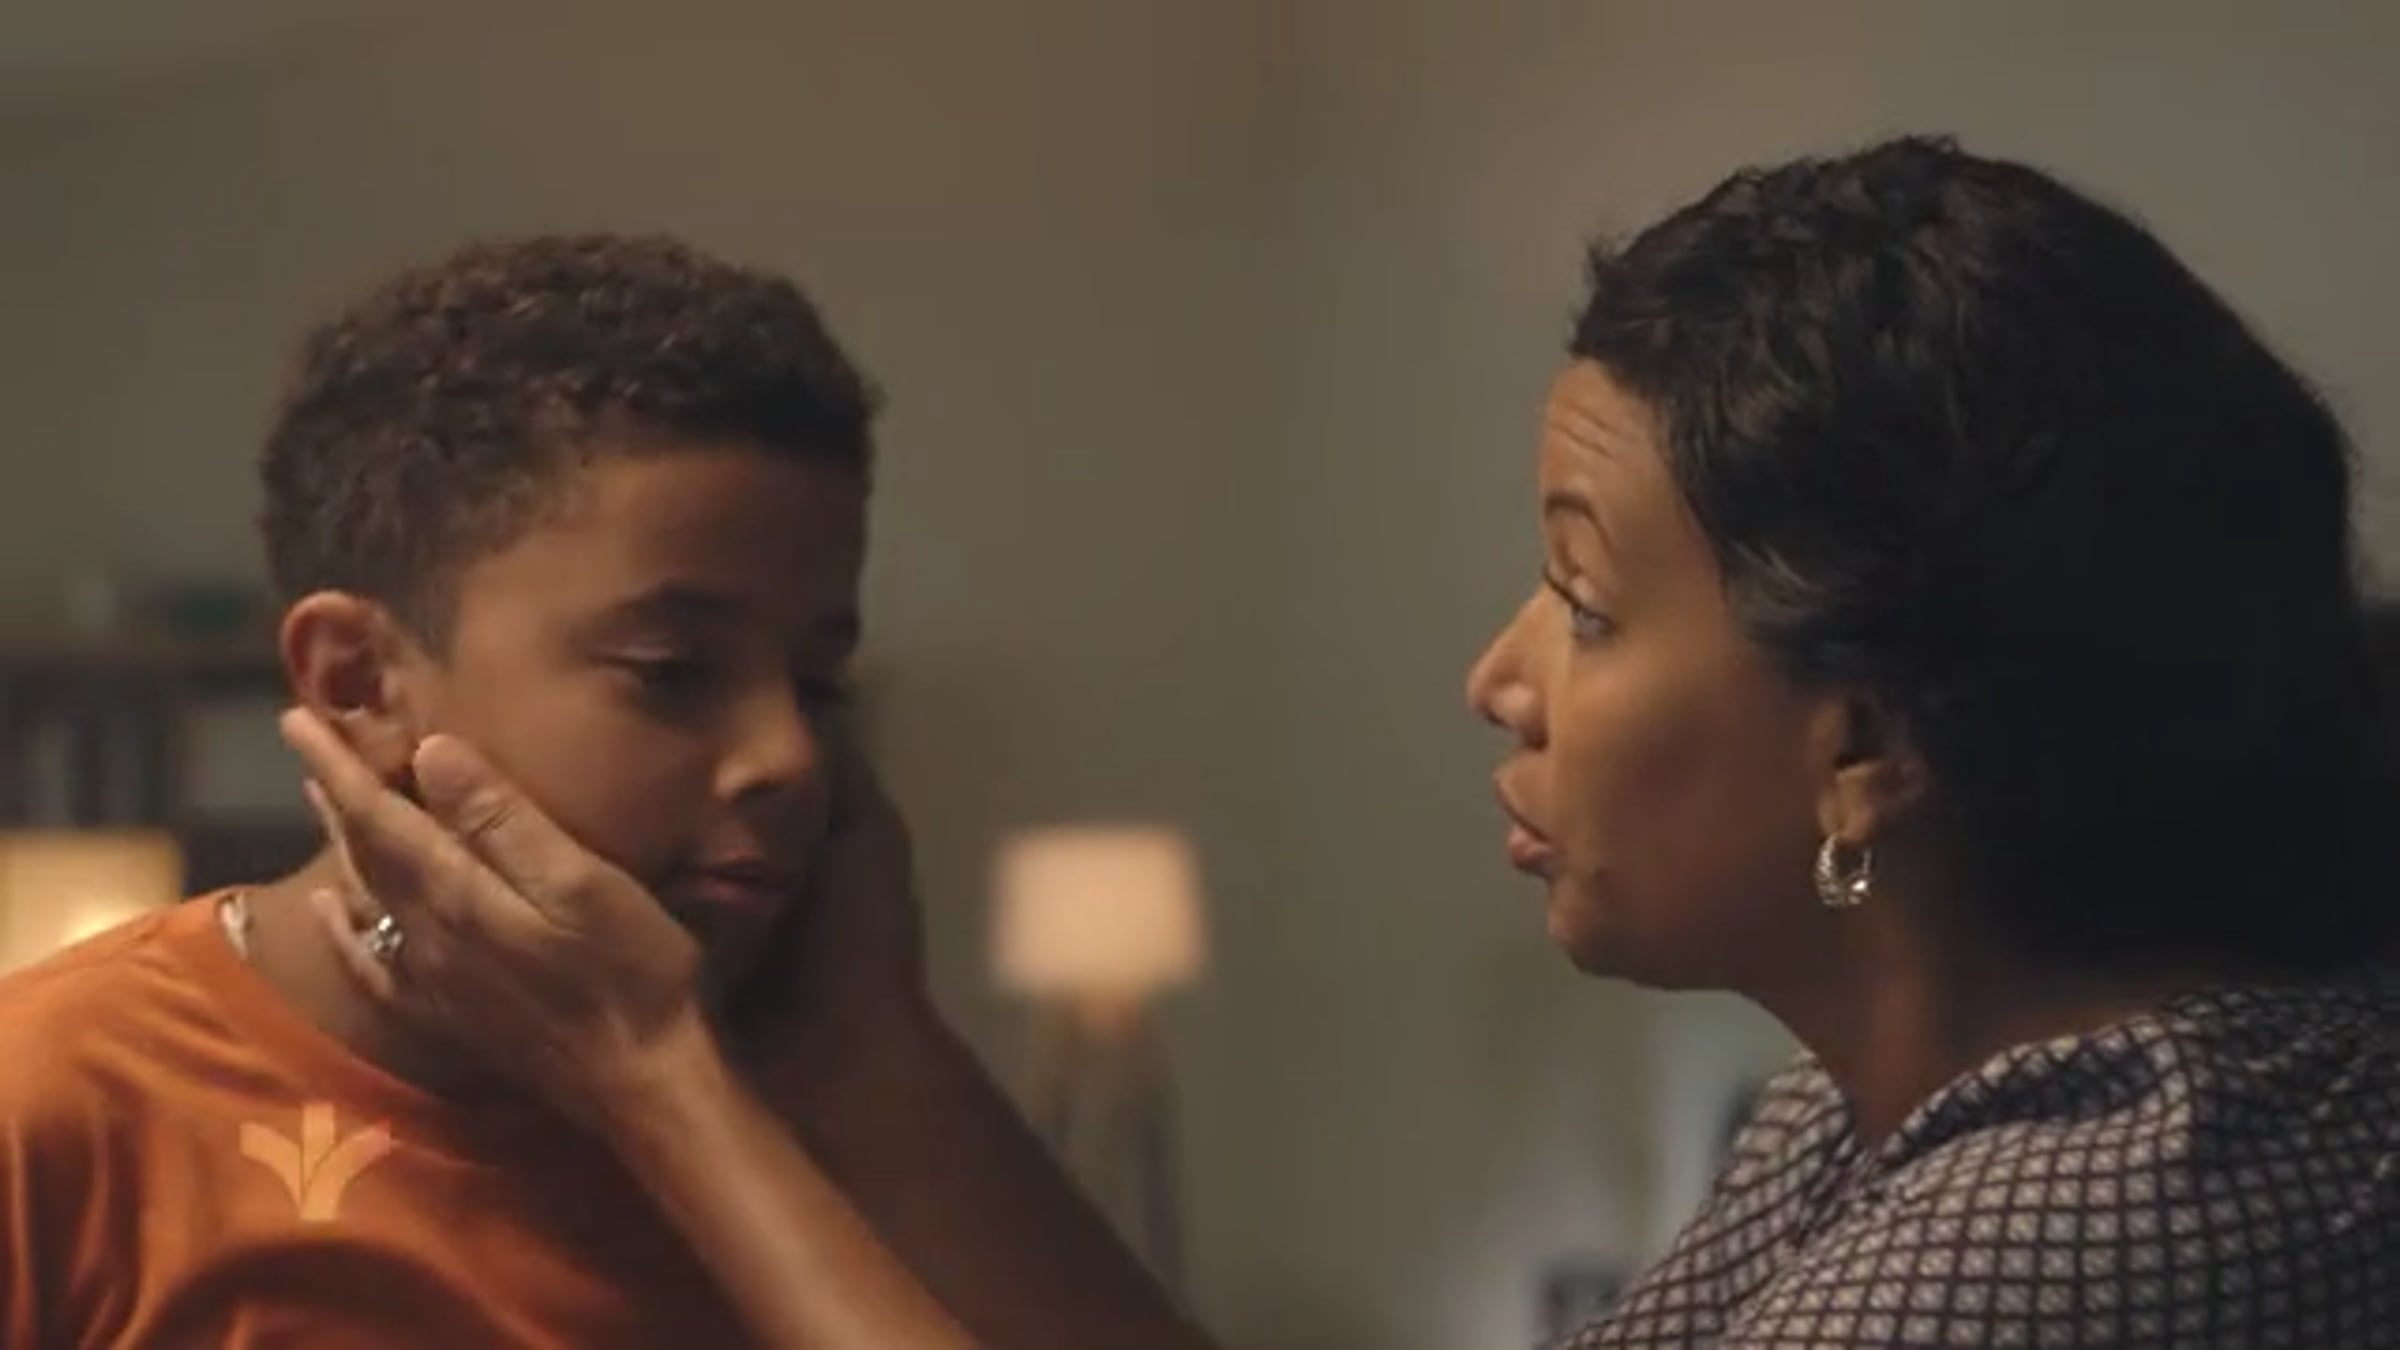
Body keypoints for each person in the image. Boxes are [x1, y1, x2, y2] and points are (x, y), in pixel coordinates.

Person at [283, 136, 2400, 1347]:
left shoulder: (2105, 1218)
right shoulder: (1853, 1126)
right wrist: (873, 1059)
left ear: (1864, 746)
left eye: (1585, 602)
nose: (1503, 675)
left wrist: (657, 1077)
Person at [0, 233, 1183, 1347]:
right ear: (359, 682)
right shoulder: (57, 1103)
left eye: (818, 683)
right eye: (672, 672)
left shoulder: (851, 1131)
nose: (790, 756)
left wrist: (866, 1062)